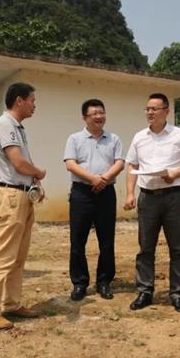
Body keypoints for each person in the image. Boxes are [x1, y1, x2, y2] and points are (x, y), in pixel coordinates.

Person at [0, 82, 47, 330]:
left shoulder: (18, 127)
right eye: (32, 100)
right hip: (10, 196)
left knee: (18, 256)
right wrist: (39, 172)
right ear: (19, 100)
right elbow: (18, 162)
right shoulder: (5, 124)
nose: (34, 105)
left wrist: (35, 182)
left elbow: (22, 161)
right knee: (4, 255)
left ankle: (11, 303)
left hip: (22, 194)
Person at [123, 93, 180, 313]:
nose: (150, 112)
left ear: (166, 111)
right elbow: (131, 165)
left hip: (174, 197)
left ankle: (177, 293)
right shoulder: (139, 137)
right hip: (148, 198)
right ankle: (145, 291)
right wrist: (130, 193)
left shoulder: (179, 135)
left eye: (154, 109)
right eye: (147, 109)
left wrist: (174, 174)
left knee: (177, 247)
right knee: (146, 247)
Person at [63, 99, 125, 301]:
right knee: (77, 240)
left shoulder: (114, 139)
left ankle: (104, 282)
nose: (99, 117)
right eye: (94, 114)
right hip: (81, 193)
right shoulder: (74, 138)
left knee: (106, 240)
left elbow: (119, 163)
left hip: (106, 193)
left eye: (102, 113)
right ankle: (79, 283)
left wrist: (103, 179)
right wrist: (93, 179)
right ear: (85, 118)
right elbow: (70, 164)